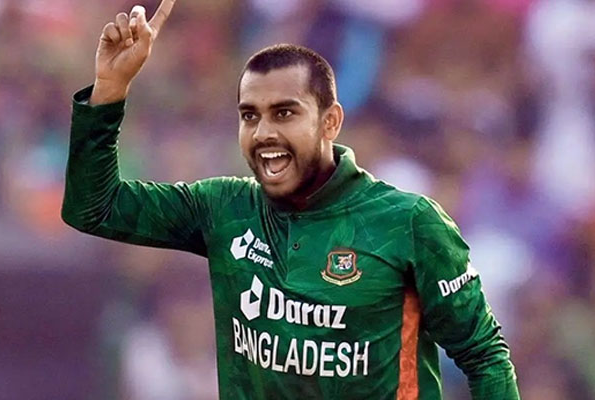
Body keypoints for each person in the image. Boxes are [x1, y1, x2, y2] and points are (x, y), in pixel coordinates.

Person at [61, 1, 520, 398]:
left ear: (330, 121)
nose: (264, 133)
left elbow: (484, 356)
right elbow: (93, 207)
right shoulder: (225, 208)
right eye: (250, 116)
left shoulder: (409, 222)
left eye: (285, 113)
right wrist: (110, 91)